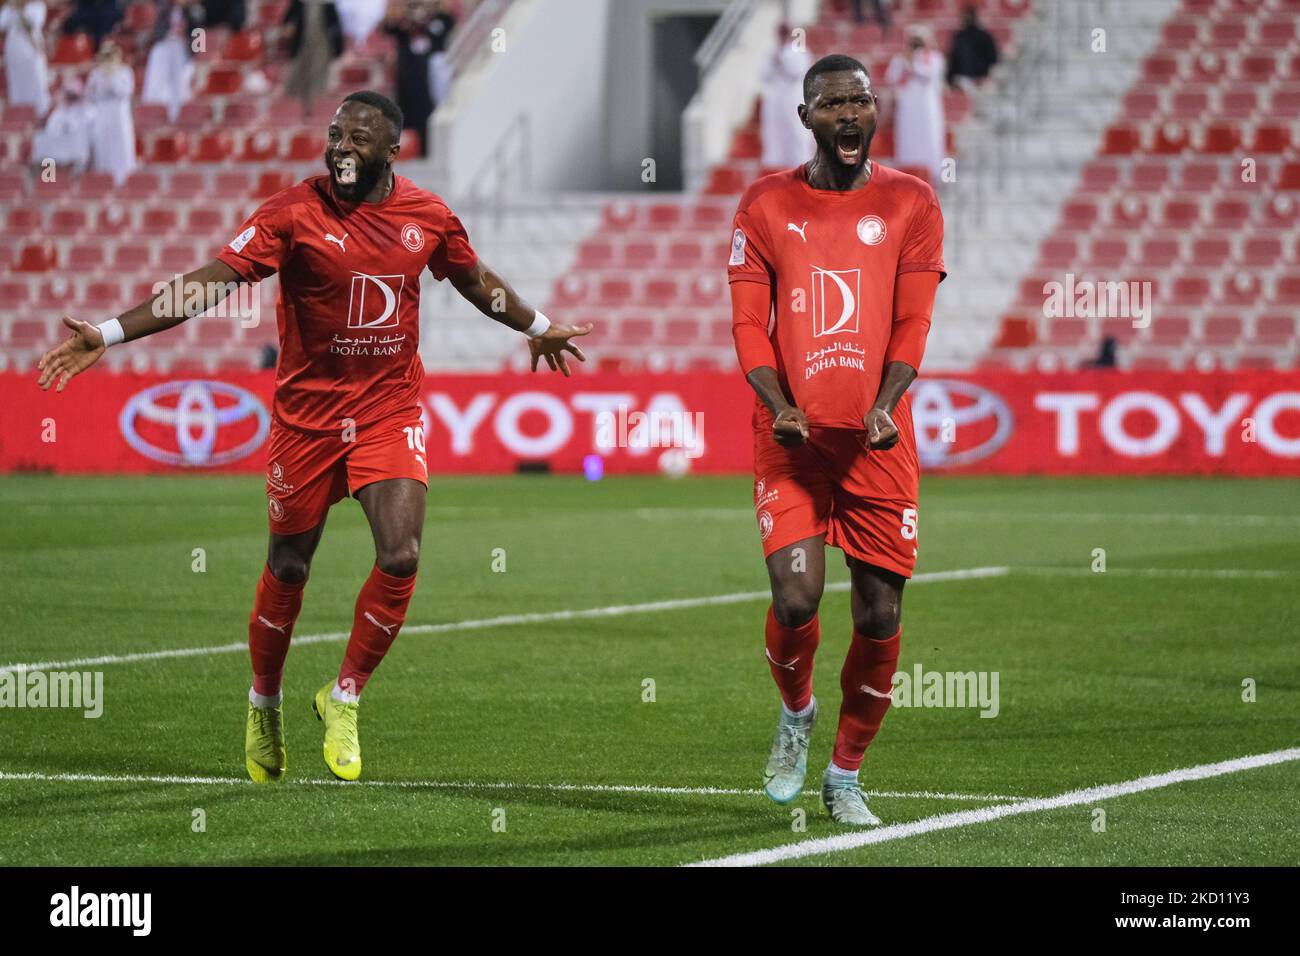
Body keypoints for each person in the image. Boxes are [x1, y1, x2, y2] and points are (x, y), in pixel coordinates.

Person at [37, 91, 592, 785]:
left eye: (359, 138)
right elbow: (211, 283)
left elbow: (474, 281)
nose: (342, 148)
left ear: (394, 151)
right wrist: (111, 333)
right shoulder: (291, 214)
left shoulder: (427, 217)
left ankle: (344, 696)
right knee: (290, 568)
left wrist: (537, 327)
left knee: (401, 553)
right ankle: (263, 702)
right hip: (306, 421)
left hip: (390, 412)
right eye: (336, 135)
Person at [727, 55, 944, 825]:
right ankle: (796, 715)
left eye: (861, 101)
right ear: (805, 117)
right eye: (832, 104)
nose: (849, 114)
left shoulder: (912, 201)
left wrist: (889, 402)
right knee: (795, 596)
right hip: (791, 439)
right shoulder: (763, 204)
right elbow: (750, 323)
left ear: (875, 112)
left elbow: (915, 320)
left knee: (880, 617)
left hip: (879, 441)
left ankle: (846, 773)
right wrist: (777, 401)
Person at [383, 0, 451, 157]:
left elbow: (446, 24)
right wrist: (402, 15)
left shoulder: (436, 25)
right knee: (406, 114)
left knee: (431, 111)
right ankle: (410, 147)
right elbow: (388, 27)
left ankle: (429, 147)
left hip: (429, 80)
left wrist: (430, 15)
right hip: (408, 83)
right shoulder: (405, 32)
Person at [884, 26, 946, 181]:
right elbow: (891, 78)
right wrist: (906, 61)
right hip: (907, 106)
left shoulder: (934, 57)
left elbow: (928, 75)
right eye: (913, 42)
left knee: (931, 139)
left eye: (919, 42)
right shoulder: (900, 59)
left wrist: (912, 63)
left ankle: (936, 177)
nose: (916, 46)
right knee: (907, 139)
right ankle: (908, 177)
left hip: (927, 106)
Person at [759, 24, 812, 170]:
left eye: (785, 33)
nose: (782, 36)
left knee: (797, 131)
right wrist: (775, 59)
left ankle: (801, 164)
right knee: (774, 132)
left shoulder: (799, 51)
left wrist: (782, 59)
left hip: (793, 97)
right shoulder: (771, 51)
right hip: (775, 99)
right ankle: (776, 166)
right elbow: (764, 74)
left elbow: (797, 71)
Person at [142, 0, 204, 123]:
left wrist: (197, 53)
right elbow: (157, 30)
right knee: (158, 77)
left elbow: (199, 33)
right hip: (165, 45)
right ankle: (156, 111)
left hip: (183, 48)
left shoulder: (195, 11)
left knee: (181, 83)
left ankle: (178, 114)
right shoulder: (165, 9)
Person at [85, 41, 138, 186]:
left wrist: (111, 77)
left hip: (119, 114)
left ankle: (123, 178)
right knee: (103, 144)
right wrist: (101, 81)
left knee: (121, 145)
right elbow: (91, 95)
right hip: (102, 113)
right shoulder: (95, 73)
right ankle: (103, 178)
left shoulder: (125, 72)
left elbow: (125, 92)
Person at [283, 0, 345, 117]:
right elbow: (287, 21)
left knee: (318, 77)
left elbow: (335, 26)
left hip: (322, 45)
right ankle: (302, 109)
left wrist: (337, 48)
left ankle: (315, 110)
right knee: (301, 77)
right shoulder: (299, 3)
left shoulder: (328, 4)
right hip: (302, 45)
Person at [1, 0, 51, 117]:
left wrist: (20, 11)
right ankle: (20, 116)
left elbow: (32, 25)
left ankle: (42, 115)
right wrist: (12, 9)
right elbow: (2, 24)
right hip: (14, 50)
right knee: (16, 83)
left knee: (37, 81)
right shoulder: (10, 7)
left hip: (31, 49)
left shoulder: (38, 6)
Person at [30, 79, 92, 173]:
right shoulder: (60, 110)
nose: (71, 97)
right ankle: (49, 178)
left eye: (73, 95)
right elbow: (52, 127)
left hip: (79, 143)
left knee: (80, 147)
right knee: (42, 141)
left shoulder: (86, 109)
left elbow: (87, 125)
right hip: (59, 141)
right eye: (69, 94)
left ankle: (77, 176)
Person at [946, 5, 998, 92]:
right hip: (963, 80)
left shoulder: (985, 37)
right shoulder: (959, 37)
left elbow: (993, 58)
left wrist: (986, 76)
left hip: (981, 80)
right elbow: (953, 59)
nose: (967, 20)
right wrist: (950, 79)